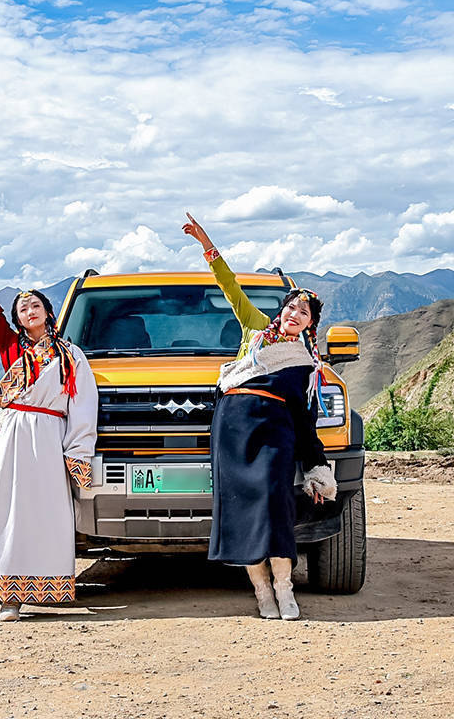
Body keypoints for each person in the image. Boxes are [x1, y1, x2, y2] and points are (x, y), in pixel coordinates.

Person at [181, 213, 336, 620]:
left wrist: (317, 468)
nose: (294, 314)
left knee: (275, 504)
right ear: (281, 311)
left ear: (310, 324)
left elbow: (305, 419)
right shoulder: (254, 330)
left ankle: (285, 588)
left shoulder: (305, 364)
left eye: (304, 313)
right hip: (233, 429)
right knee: (241, 510)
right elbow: (230, 287)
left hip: (275, 434)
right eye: (291, 307)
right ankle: (262, 591)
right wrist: (207, 244)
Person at [0, 239, 99, 622]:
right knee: (9, 510)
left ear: (48, 313)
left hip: (49, 438)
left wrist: (77, 451)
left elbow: (83, 405)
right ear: (17, 319)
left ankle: (46, 587)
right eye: (22, 308)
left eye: (35, 305)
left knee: (46, 512)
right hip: (12, 436)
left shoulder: (70, 356)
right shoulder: (11, 348)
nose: (29, 311)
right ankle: (8, 597)